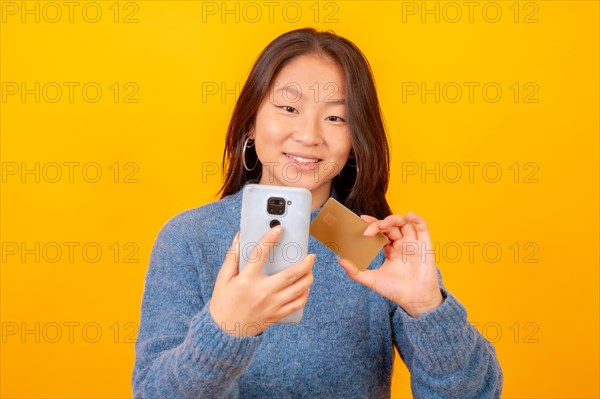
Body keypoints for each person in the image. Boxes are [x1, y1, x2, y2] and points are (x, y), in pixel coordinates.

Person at [132, 28, 503, 398]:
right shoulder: (190, 237)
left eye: (336, 118)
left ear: (357, 141)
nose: (309, 135)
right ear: (250, 121)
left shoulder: (369, 245)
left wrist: (428, 307)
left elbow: (475, 393)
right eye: (289, 108)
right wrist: (227, 331)